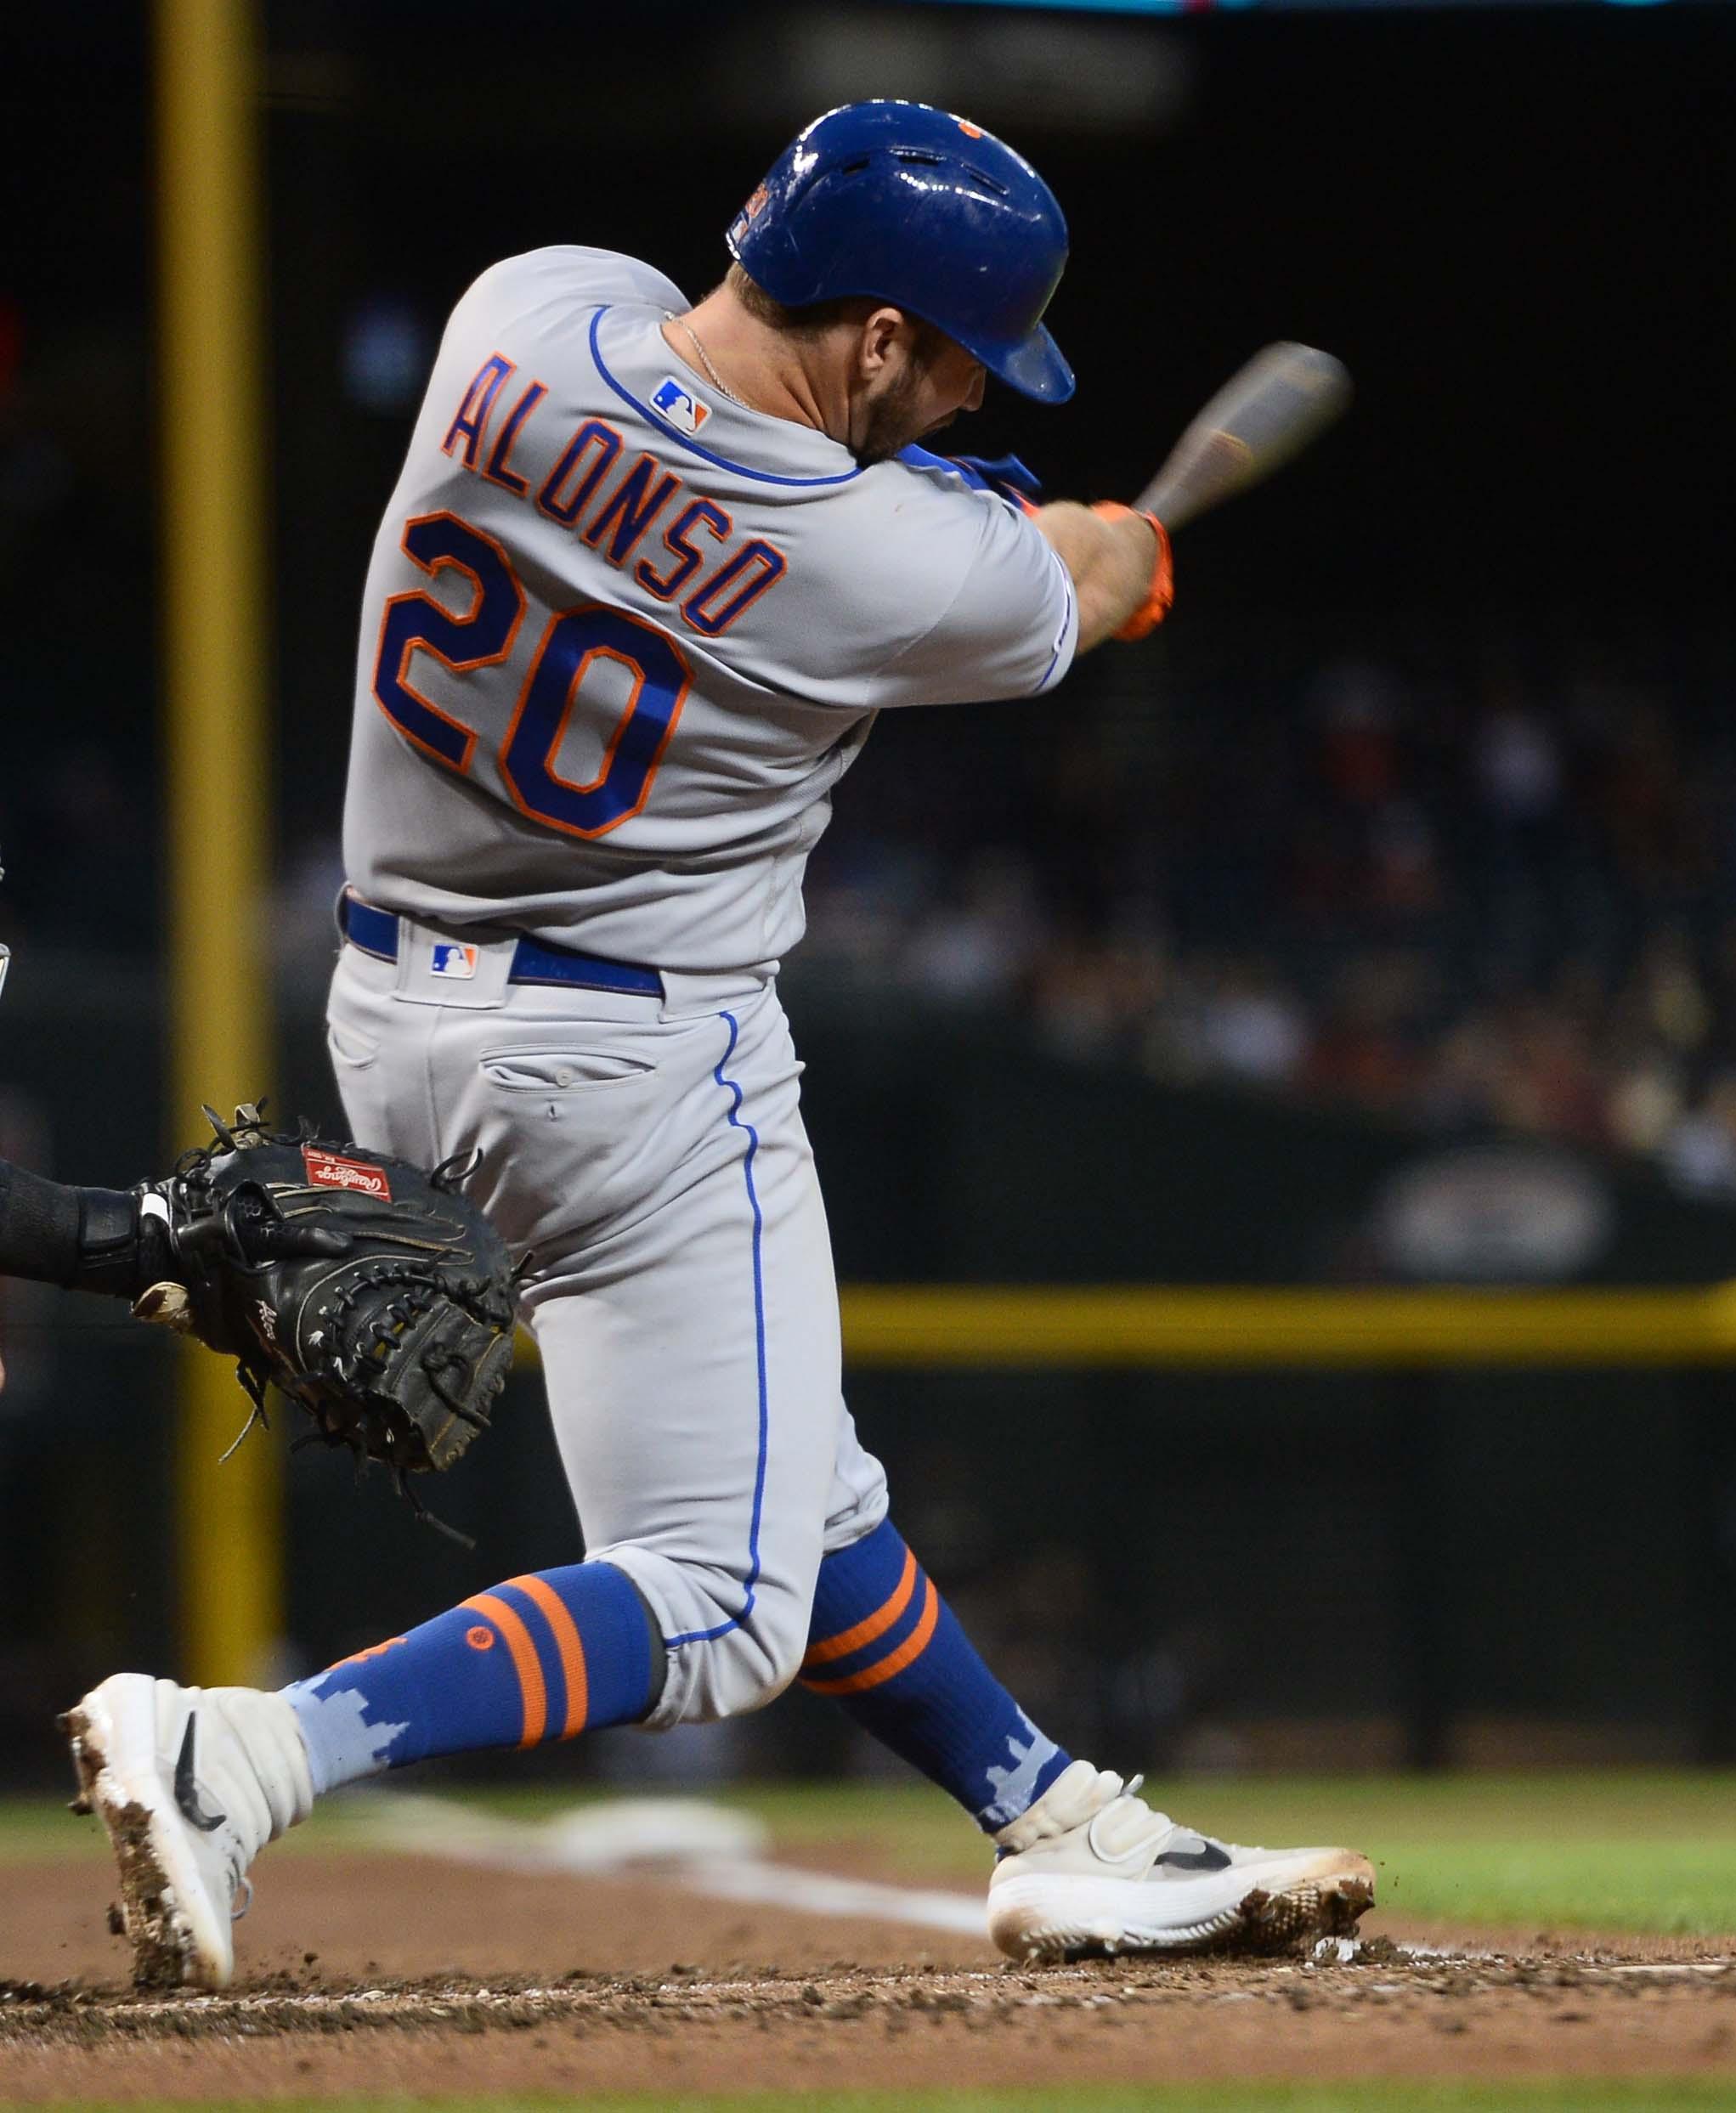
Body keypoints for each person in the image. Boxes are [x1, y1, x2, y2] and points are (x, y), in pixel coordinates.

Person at [62, 100, 1371, 1990]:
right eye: (951, 366)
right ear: (878, 340)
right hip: (635, 1059)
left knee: (788, 1479)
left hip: (392, 1015)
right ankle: (251, 1748)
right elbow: (1074, 577)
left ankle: (1058, 1819)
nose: (959, 401)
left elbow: (740, 452)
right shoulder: (909, 564)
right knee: (721, 1593)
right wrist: (1116, 546)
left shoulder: (518, 314)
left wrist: (987, 515)